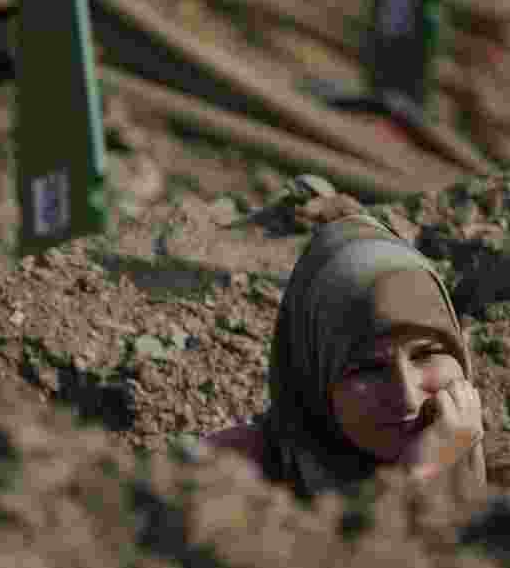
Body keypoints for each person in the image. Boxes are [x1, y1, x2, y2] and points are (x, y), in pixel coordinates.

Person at [206, 213, 486, 501]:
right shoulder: (218, 481)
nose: (407, 398)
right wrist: (414, 477)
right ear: (314, 370)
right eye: (369, 368)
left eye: (426, 353)